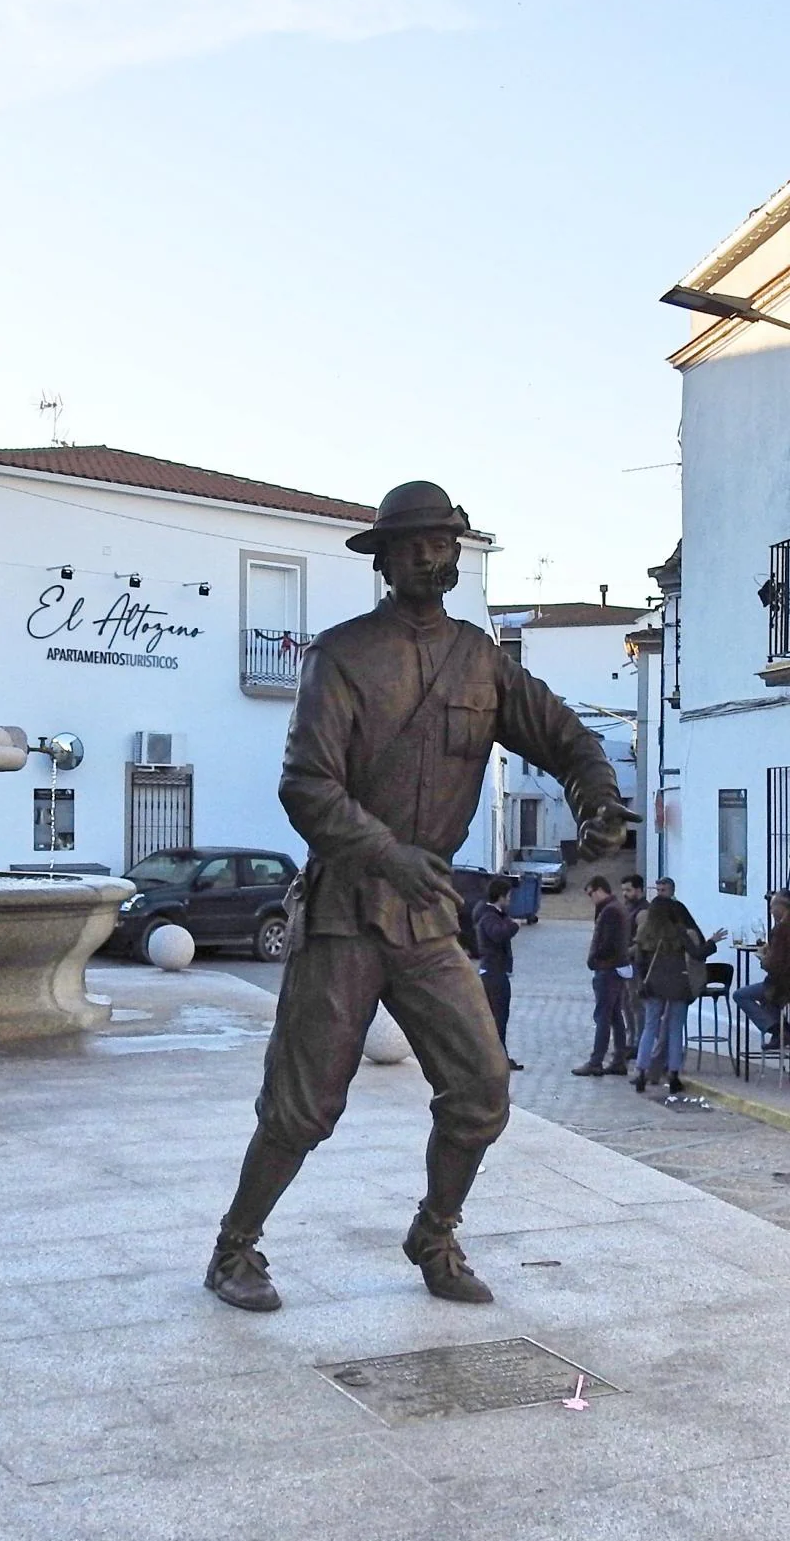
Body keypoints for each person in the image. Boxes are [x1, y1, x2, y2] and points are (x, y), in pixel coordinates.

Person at [203, 479, 634, 1315]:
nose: (431, 556)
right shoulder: (341, 656)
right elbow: (306, 787)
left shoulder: (482, 660)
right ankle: (234, 1247)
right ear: (387, 560)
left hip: (426, 913)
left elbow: (567, 738)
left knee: (480, 1088)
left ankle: (434, 1232)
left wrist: (597, 801)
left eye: (444, 543)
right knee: (303, 1104)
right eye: (415, 544)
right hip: (346, 907)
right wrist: (388, 853)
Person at [631, 895, 709, 1093]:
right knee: (675, 1029)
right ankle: (674, 1073)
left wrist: (642, 981)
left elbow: (639, 962)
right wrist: (713, 942)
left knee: (649, 1028)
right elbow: (697, 954)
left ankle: (641, 1071)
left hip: (653, 985)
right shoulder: (679, 932)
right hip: (677, 984)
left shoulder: (644, 931)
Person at [573, 877, 630, 1076]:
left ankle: (596, 1061)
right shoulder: (616, 908)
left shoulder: (610, 911)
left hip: (608, 970)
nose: (591, 899)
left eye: (591, 894)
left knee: (603, 1016)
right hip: (616, 968)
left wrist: (594, 959)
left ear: (599, 890)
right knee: (615, 1016)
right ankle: (619, 1059)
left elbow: (607, 943)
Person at [473, 879, 523, 1071]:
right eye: (508, 896)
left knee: (498, 1017)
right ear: (501, 896)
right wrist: (513, 925)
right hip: (494, 973)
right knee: (498, 1017)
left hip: (494, 971)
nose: (510, 900)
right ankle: (497, 1059)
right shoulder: (489, 917)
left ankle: (498, 1057)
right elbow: (498, 934)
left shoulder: (493, 914)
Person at [735, 891, 790, 1050]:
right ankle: (781, 1030)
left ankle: (778, 1030)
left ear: (782, 907)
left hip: (782, 983)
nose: (771, 911)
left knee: (741, 995)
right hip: (782, 981)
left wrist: (763, 959)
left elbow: (775, 964)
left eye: (773, 907)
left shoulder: (782, 929)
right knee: (766, 998)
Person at [618, 874, 650, 1056]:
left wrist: (624, 953)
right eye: (623, 890)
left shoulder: (643, 911)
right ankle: (630, 1039)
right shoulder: (628, 908)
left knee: (635, 1003)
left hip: (636, 964)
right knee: (626, 1003)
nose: (625, 893)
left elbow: (641, 941)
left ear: (639, 890)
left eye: (628, 890)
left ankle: (638, 1042)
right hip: (624, 963)